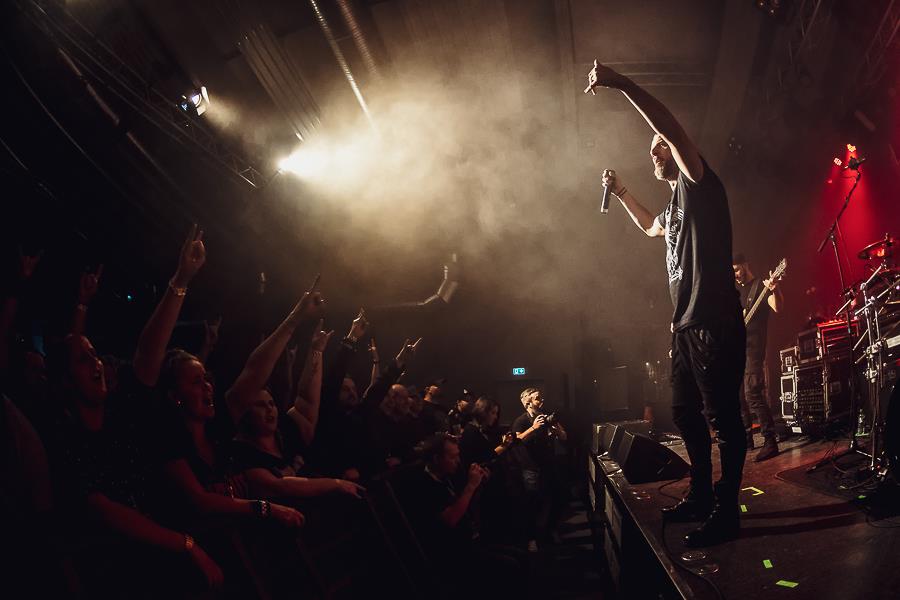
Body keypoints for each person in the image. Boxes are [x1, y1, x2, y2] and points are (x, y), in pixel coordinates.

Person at [587, 60, 746, 546]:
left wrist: (621, 84)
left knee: (723, 419)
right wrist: (621, 191)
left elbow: (670, 127)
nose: (653, 149)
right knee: (683, 412)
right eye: (652, 147)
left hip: (714, 320)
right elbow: (649, 227)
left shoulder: (699, 183)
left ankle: (727, 509)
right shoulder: (674, 209)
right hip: (685, 326)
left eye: (658, 144)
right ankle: (701, 492)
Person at [733, 253, 783, 461]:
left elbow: (777, 307)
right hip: (738, 349)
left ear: (745, 265)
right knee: (737, 396)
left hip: (754, 350)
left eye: (736, 269)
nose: (735, 274)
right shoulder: (736, 292)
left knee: (753, 393)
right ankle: (747, 439)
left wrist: (775, 288)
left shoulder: (760, 287)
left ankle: (770, 441)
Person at [510, 388, 567, 549]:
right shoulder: (521, 421)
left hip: (549, 464)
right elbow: (516, 440)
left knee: (559, 497)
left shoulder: (547, 417)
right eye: (537, 398)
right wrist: (534, 428)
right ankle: (531, 539)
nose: (541, 400)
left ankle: (550, 530)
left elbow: (564, 436)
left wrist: (557, 431)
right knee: (533, 504)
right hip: (531, 468)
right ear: (528, 403)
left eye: (541, 397)